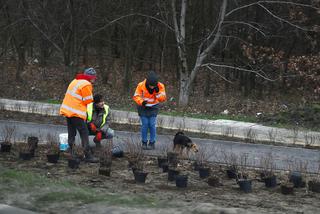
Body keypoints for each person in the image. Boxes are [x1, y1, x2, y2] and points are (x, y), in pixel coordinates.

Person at [59, 67, 98, 163]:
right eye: (94, 77)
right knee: (84, 132)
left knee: (71, 131)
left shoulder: (75, 81)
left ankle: (70, 151)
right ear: (91, 77)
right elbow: (88, 100)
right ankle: (88, 155)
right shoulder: (86, 84)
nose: (95, 79)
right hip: (76, 112)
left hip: (68, 111)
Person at [133, 70, 166, 150]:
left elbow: (163, 99)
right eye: (151, 86)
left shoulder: (160, 86)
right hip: (143, 107)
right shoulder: (141, 85)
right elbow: (136, 96)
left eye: (153, 86)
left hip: (154, 107)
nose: (152, 87)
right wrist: (142, 102)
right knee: (145, 124)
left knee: (152, 124)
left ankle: (152, 142)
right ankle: (144, 142)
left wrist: (157, 93)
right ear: (147, 82)